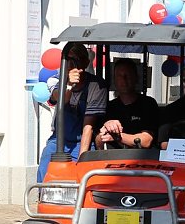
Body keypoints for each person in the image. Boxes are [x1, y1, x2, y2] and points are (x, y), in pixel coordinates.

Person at [37, 42, 108, 181]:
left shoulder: (96, 85)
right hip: (59, 139)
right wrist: (68, 85)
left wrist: (82, 159)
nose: (71, 65)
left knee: (82, 177)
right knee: (45, 171)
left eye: (75, 60)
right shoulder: (55, 80)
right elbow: (59, 99)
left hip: (83, 140)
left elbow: (88, 126)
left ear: (86, 62)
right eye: (67, 60)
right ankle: (42, 192)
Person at [95, 58, 158, 149]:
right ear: (114, 80)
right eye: (119, 76)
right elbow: (98, 144)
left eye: (128, 75)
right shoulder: (108, 107)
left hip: (141, 156)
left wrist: (117, 136)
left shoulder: (148, 104)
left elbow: (146, 141)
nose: (123, 79)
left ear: (136, 78)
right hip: (112, 156)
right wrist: (105, 130)